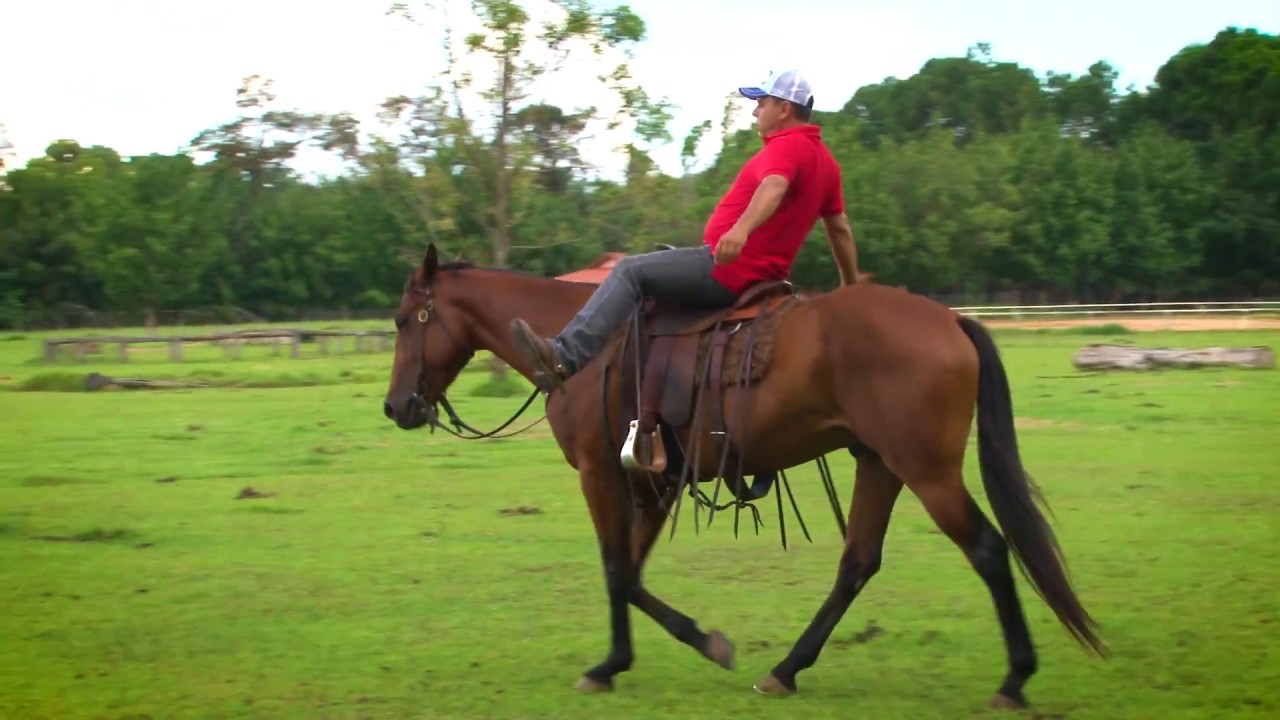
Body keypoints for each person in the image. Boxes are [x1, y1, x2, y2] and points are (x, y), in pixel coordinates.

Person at [511, 68, 860, 393]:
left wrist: (739, 232)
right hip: (766, 277)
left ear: (784, 108)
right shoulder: (826, 162)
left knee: (630, 271)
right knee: (661, 263)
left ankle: (564, 355)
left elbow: (774, 187)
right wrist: (850, 284)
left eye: (761, 103)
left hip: (729, 270)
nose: (755, 112)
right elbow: (840, 229)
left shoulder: (786, 146)